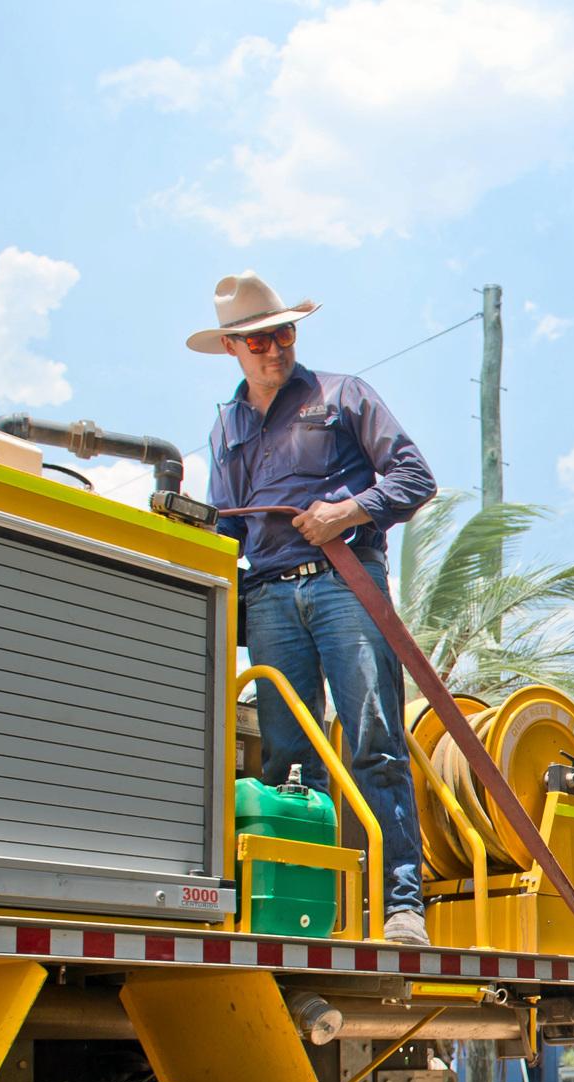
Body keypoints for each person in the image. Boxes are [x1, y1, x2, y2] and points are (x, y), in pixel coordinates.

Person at [195, 272, 436, 946]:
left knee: (373, 741)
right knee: (285, 759)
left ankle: (400, 906)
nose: (275, 347)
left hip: (344, 585)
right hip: (269, 599)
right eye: (258, 339)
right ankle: (293, 906)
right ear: (231, 348)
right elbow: (224, 531)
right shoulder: (228, 428)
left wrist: (348, 511)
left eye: (284, 332)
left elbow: (415, 476)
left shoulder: (343, 395)